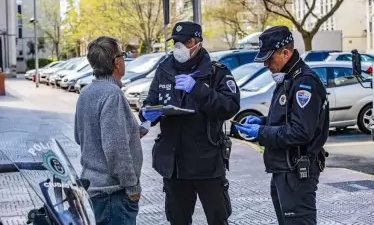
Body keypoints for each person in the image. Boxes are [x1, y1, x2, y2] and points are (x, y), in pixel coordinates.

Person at [139, 21, 240, 225]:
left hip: (207, 162)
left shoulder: (216, 72)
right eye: (175, 42)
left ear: (197, 43)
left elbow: (230, 106)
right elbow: (151, 100)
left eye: (184, 42)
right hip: (174, 164)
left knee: (218, 219)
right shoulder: (165, 69)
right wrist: (148, 113)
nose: (179, 47)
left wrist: (199, 90)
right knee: (178, 220)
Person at [234, 26, 329, 225]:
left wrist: (261, 132)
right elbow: (288, 118)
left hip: (297, 171)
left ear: (285, 52)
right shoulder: (287, 78)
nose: (266, 64)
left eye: (269, 58)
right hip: (284, 169)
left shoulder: (304, 82)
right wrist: (263, 122)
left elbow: (300, 132)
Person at [74, 36, 143, 225]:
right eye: (122, 55)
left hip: (94, 189)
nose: (124, 59)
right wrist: (132, 186)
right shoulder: (112, 94)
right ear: (116, 62)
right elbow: (115, 148)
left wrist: (134, 131)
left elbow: (80, 136)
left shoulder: (86, 92)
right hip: (114, 194)